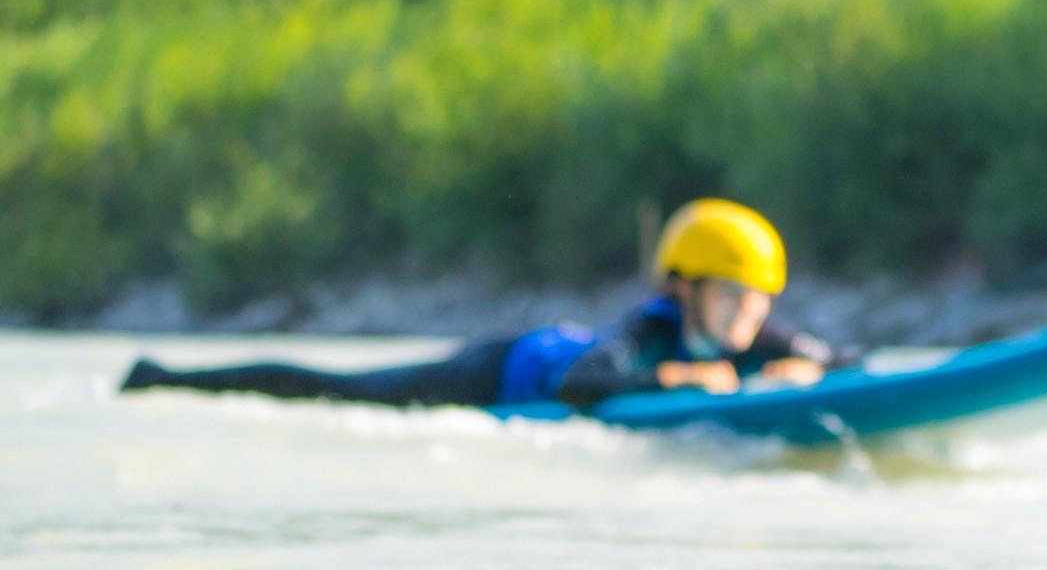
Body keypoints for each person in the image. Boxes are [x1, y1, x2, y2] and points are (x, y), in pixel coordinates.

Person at [120, 199, 833, 413]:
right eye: (735, 295)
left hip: (552, 364)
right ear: (685, 288)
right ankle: (167, 377)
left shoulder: (754, 333)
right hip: (498, 373)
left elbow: (840, 359)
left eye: (760, 299)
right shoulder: (650, 329)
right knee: (340, 391)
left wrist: (811, 368)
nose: (750, 314)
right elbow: (582, 383)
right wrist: (678, 378)